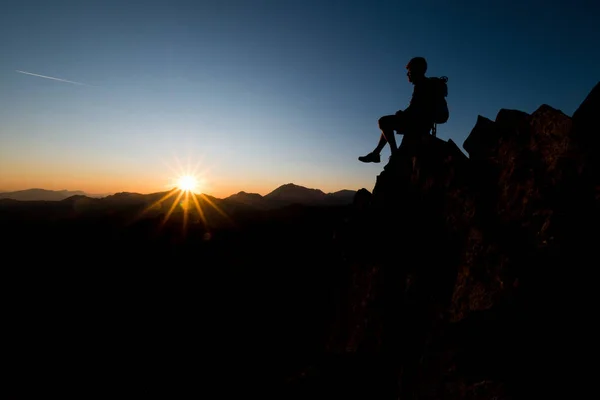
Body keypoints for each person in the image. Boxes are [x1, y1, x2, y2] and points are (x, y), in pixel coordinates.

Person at [358, 57, 436, 163]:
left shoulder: (422, 85)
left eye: (409, 71)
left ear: (416, 71)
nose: (407, 74)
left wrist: (402, 114)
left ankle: (394, 153)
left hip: (418, 123)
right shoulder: (424, 84)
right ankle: (376, 153)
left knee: (383, 121)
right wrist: (403, 114)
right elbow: (416, 107)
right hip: (420, 122)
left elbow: (416, 109)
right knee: (387, 124)